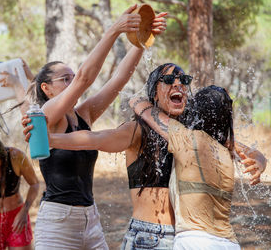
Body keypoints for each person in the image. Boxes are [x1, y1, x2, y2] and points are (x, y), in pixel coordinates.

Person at [24, 64, 266, 249]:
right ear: (155, 93)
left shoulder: (192, 133)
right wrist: (51, 140)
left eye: (184, 80)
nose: (178, 84)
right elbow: (96, 138)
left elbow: (243, 148)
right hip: (150, 236)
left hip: (184, 238)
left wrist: (259, 161)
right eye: (169, 80)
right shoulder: (139, 128)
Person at [21, 4, 168, 250]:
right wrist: (113, 31)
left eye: (71, 77)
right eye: (64, 79)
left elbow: (120, 78)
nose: (71, 81)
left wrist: (144, 38)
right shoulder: (47, 115)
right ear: (46, 89)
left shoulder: (84, 113)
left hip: (90, 218)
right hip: (57, 222)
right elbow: (84, 78)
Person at [130, 85, 267, 249]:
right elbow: (254, 154)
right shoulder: (225, 148)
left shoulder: (186, 138)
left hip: (194, 241)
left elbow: (139, 104)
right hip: (229, 243)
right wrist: (260, 162)